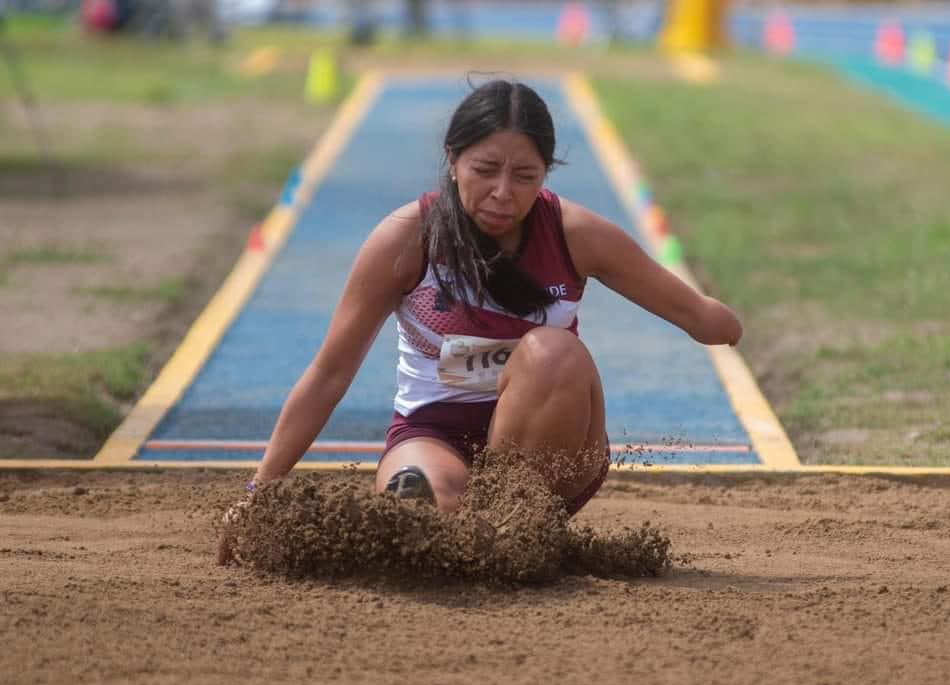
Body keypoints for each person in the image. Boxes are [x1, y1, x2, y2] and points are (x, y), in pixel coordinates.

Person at [245, 79, 742, 516]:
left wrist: (728, 324)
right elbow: (329, 374)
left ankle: (516, 525)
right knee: (416, 497)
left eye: (525, 177)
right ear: (453, 159)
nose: (503, 192)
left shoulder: (576, 234)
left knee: (552, 351)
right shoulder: (405, 239)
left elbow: (698, 315)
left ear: (546, 174)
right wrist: (258, 493)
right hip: (433, 434)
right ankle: (466, 530)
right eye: (485, 170)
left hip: (554, 448)